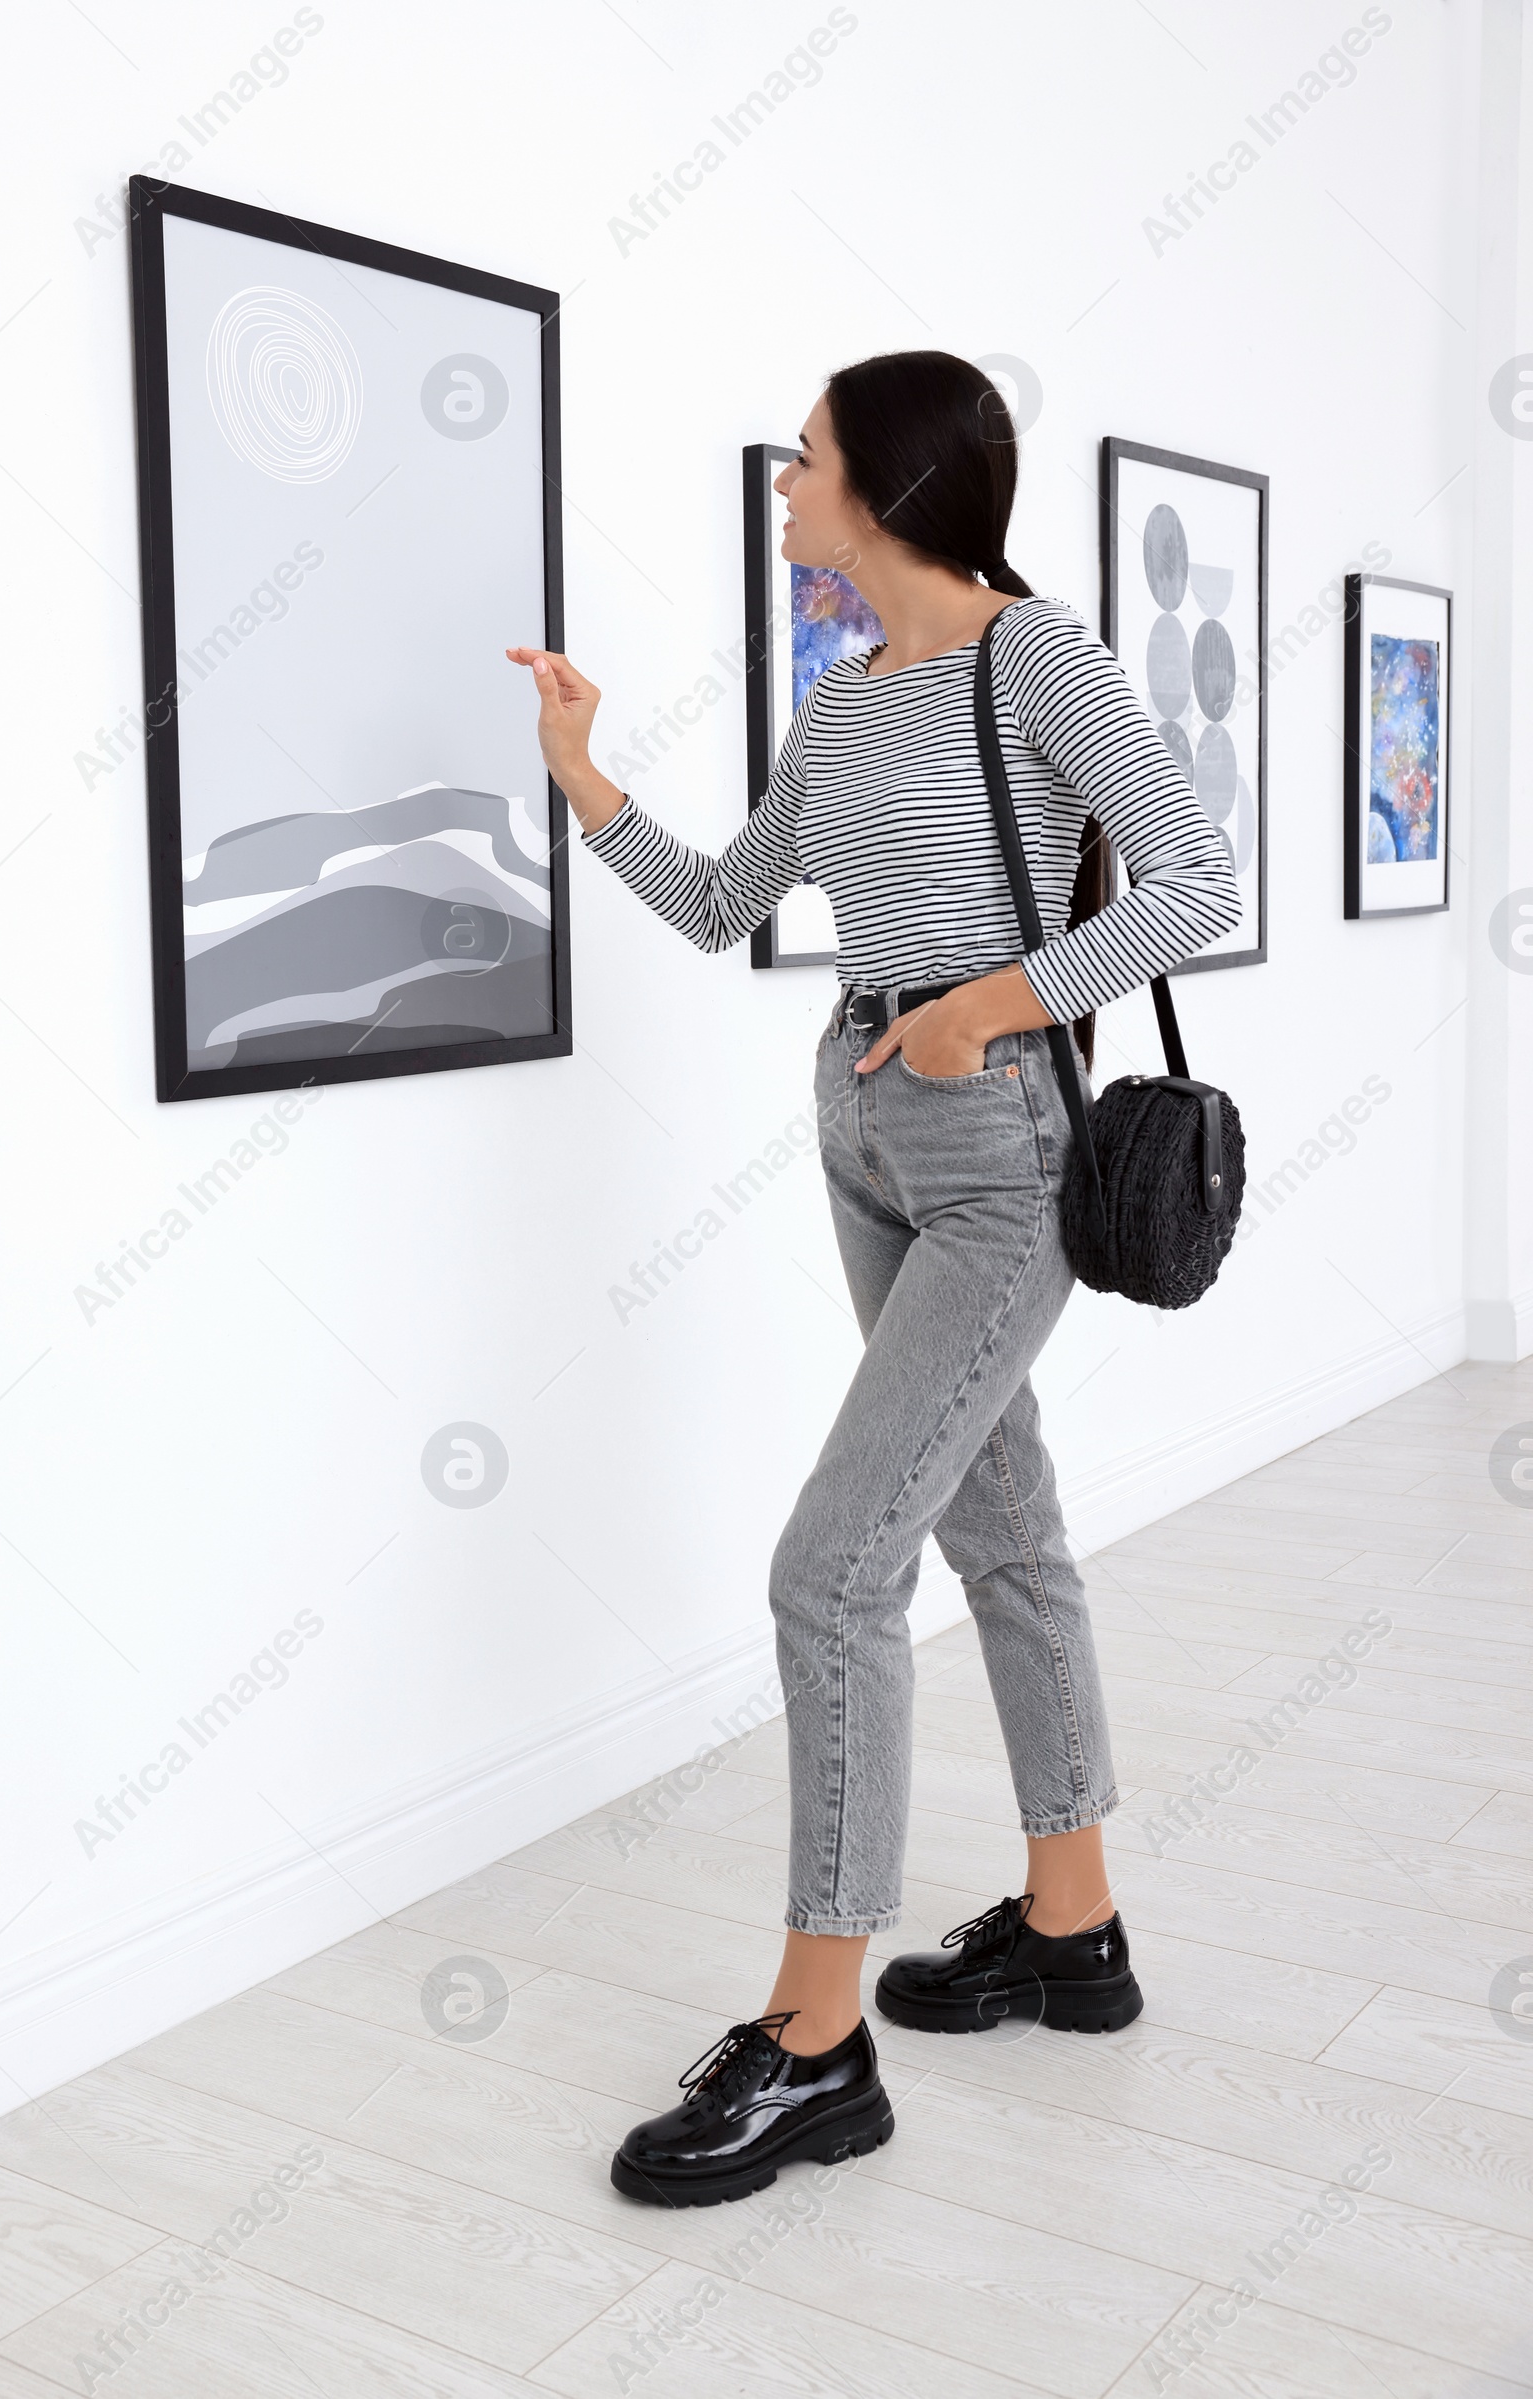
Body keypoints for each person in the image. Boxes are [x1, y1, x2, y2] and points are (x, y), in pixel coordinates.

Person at [508, 349, 1240, 2210]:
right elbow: (720, 900)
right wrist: (585, 777)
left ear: (893, 487)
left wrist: (978, 1010)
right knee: (1003, 1526)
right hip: (861, 1125)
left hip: (999, 1142)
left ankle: (818, 2040)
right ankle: (1072, 1931)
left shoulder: (1035, 658)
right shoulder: (839, 709)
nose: (785, 486)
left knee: (833, 1572)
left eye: (808, 460)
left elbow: (1196, 884)